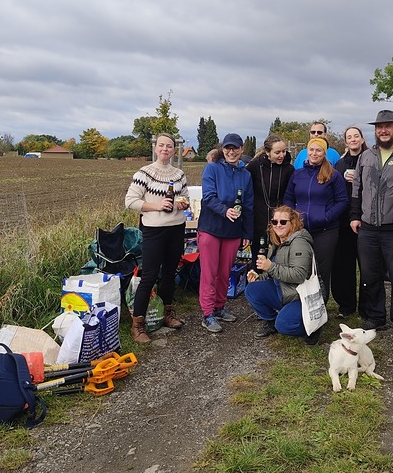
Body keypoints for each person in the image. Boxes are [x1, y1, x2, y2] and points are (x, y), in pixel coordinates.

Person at [350, 109, 393, 345]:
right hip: (367, 227)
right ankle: (376, 317)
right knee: (369, 273)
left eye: (388, 126)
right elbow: (357, 187)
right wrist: (355, 215)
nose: (383, 130)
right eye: (379, 127)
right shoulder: (366, 156)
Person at [124, 133, 189, 343]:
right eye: (161, 145)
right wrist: (156, 206)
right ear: (155, 148)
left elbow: (184, 197)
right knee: (149, 276)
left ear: (174, 150)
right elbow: (130, 201)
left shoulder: (179, 174)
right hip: (154, 230)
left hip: (176, 228)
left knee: (170, 273)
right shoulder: (144, 173)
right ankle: (138, 325)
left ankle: (166, 314)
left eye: (169, 146)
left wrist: (183, 204)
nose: (165, 149)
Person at [197, 133, 254, 333]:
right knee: (209, 273)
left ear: (241, 150)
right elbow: (208, 197)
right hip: (211, 229)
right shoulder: (212, 168)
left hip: (233, 231)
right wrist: (224, 210)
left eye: (235, 148)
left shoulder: (245, 174)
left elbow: (247, 205)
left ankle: (220, 307)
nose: (231, 152)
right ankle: (207, 313)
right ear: (223, 149)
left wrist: (247, 232)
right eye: (228, 148)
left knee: (224, 273)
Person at [284, 137, 348, 304]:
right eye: (311, 149)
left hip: (326, 230)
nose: (314, 153)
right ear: (307, 151)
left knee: (321, 270)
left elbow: (342, 201)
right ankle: (301, 304)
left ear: (324, 153)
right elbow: (289, 198)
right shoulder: (297, 174)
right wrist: (293, 217)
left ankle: (320, 307)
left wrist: (327, 217)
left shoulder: (333, 176)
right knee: (300, 267)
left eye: (318, 150)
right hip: (301, 230)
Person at [245, 205, 321, 344]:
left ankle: (312, 327)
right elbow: (274, 273)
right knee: (251, 290)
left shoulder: (299, 243)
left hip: (300, 296)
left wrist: (270, 267)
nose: (278, 225)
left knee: (284, 326)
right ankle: (271, 321)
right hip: (283, 290)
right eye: (274, 222)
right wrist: (258, 277)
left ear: (293, 223)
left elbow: (299, 275)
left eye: (283, 222)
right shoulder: (276, 243)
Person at [331, 125, 366, 317]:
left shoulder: (370, 159)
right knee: (344, 265)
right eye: (349, 137)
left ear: (361, 139)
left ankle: (366, 306)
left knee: (367, 266)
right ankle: (346, 304)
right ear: (345, 142)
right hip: (344, 221)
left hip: (365, 219)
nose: (353, 139)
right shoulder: (340, 164)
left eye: (356, 136)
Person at [246, 134, 295, 253]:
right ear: (268, 152)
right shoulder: (255, 166)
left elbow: (291, 195)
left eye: (284, 151)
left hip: (281, 222)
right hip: (259, 220)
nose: (282, 155)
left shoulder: (289, 169)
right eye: (277, 152)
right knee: (258, 259)